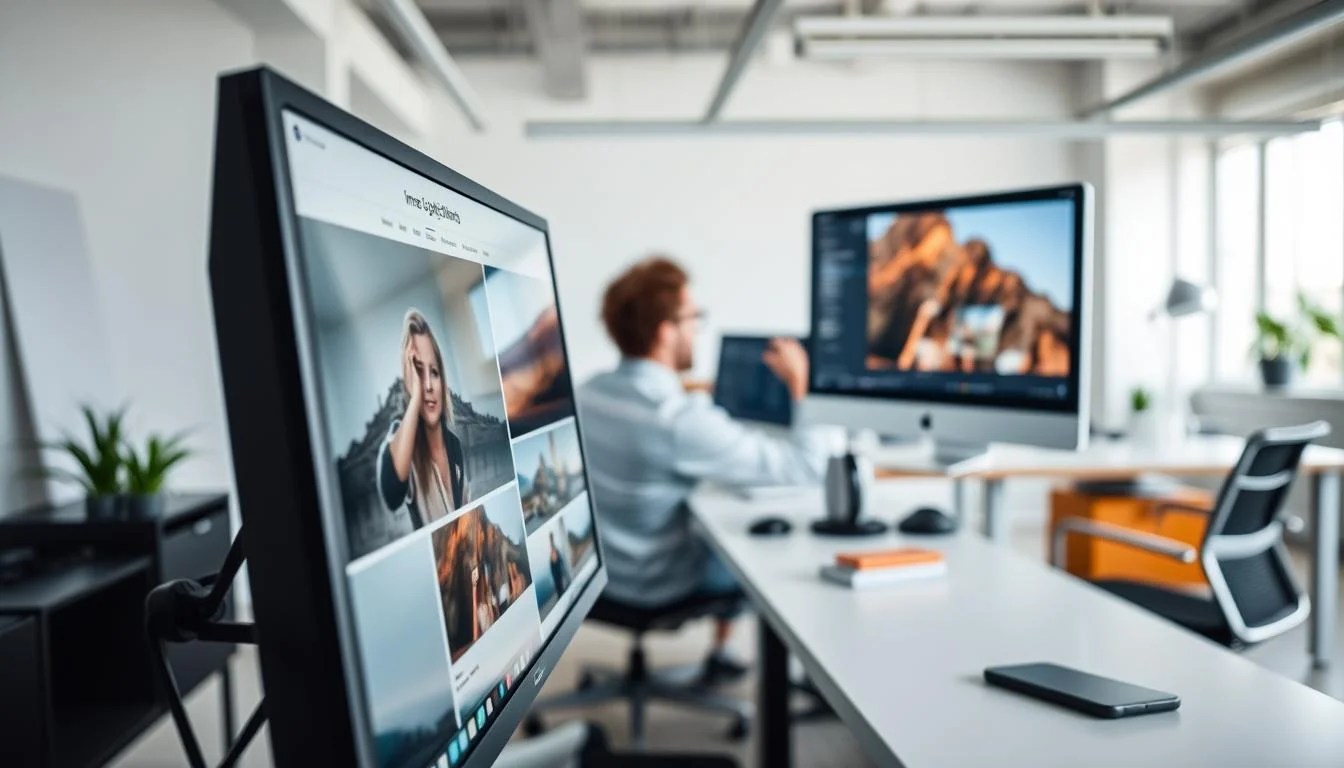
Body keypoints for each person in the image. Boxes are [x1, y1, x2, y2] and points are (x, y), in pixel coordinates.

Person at [577, 256, 828, 684]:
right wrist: (801, 385)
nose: (697, 329)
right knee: (755, 553)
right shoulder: (678, 419)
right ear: (665, 331)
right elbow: (807, 467)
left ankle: (721, 653)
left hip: (599, 576)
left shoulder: (588, 394)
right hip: (656, 585)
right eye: (693, 318)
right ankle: (735, 659)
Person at [379, 309, 469, 528]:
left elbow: (467, 511)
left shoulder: (454, 445)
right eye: (419, 372)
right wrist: (416, 397)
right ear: (409, 380)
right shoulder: (403, 442)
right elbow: (392, 493)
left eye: (434, 372)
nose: (428, 385)